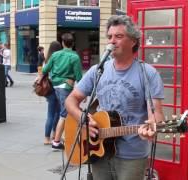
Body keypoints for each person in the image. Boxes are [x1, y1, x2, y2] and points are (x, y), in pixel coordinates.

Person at [65, 15, 165, 180]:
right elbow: (70, 100)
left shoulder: (148, 73)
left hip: (132, 155)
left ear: (133, 41)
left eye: (119, 36)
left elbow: (156, 114)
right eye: (110, 37)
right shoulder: (98, 70)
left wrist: (152, 127)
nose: (112, 41)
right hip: (99, 150)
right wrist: (82, 119)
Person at [42, 33, 83, 150]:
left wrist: (55, 74)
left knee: (61, 112)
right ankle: (56, 142)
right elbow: (79, 76)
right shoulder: (74, 57)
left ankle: (61, 137)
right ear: (73, 43)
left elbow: (45, 69)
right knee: (64, 114)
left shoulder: (55, 55)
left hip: (55, 86)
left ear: (63, 43)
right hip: (66, 87)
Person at [38, 42, 62, 145]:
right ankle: (53, 135)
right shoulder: (60, 60)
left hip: (49, 89)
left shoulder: (46, 60)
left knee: (51, 113)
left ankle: (47, 138)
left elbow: (43, 72)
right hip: (58, 88)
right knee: (57, 113)